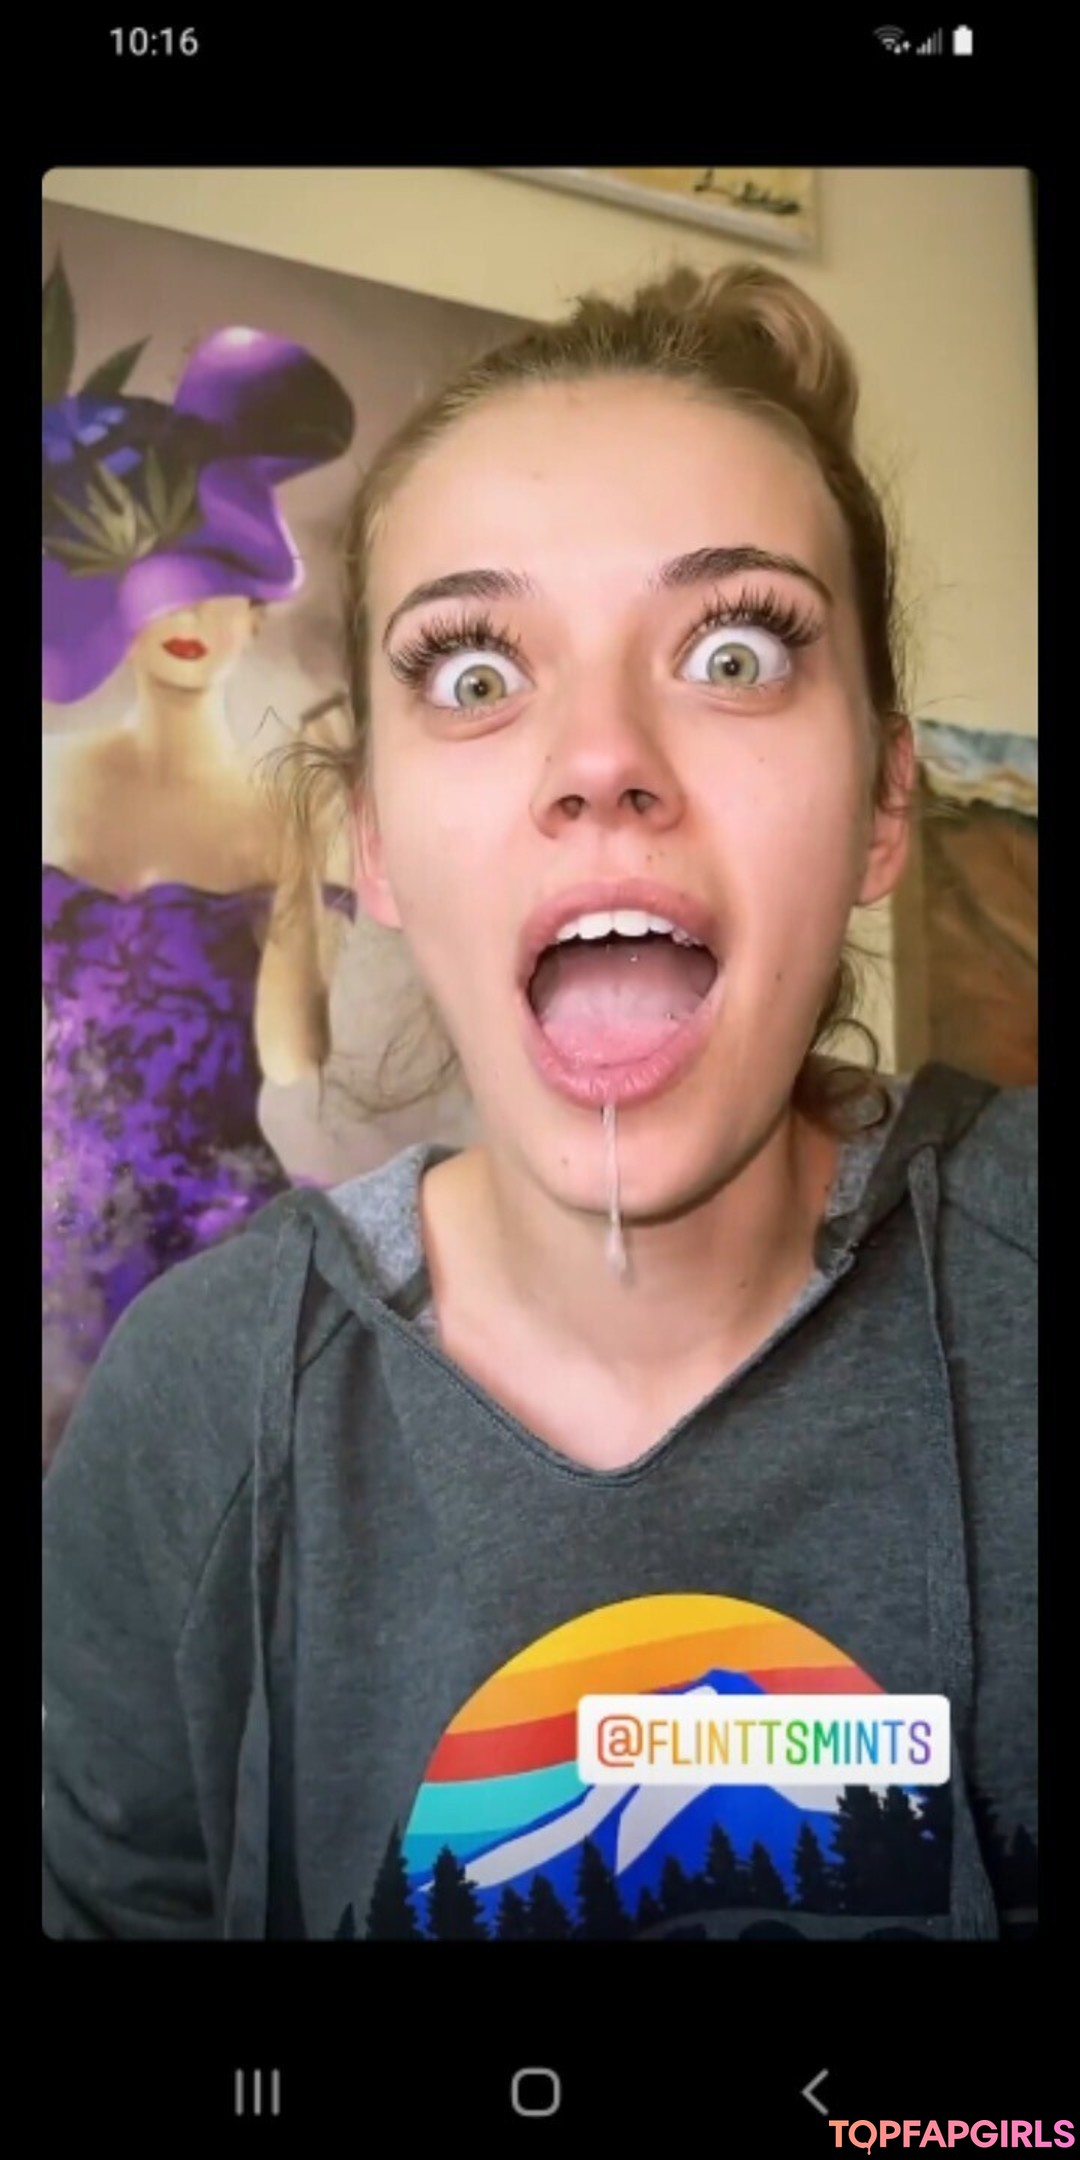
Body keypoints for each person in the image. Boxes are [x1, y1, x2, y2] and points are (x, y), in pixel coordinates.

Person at [41, 262, 1036, 1942]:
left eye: (734, 649)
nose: (600, 758)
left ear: (883, 803)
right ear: (372, 843)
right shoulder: (196, 1412)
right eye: (473, 675)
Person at [42, 316, 357, 1465]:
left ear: (258, 604)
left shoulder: (287, 811)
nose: (184, 614)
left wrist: (305, 858)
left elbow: (294, 1060)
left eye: (215, 579)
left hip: (215, 1242)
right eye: (157, 581)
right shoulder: (47, 780)